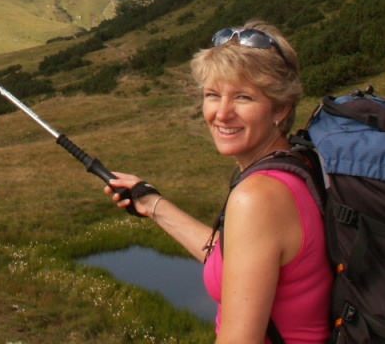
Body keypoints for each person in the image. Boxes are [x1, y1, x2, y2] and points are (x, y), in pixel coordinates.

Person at [106, 20, 333, 344]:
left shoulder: (258, 197)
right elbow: (237, 258)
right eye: (213, 95)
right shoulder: (299, 165)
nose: (222, 113)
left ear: (281, 108)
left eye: (243, 97)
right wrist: (153, 204)